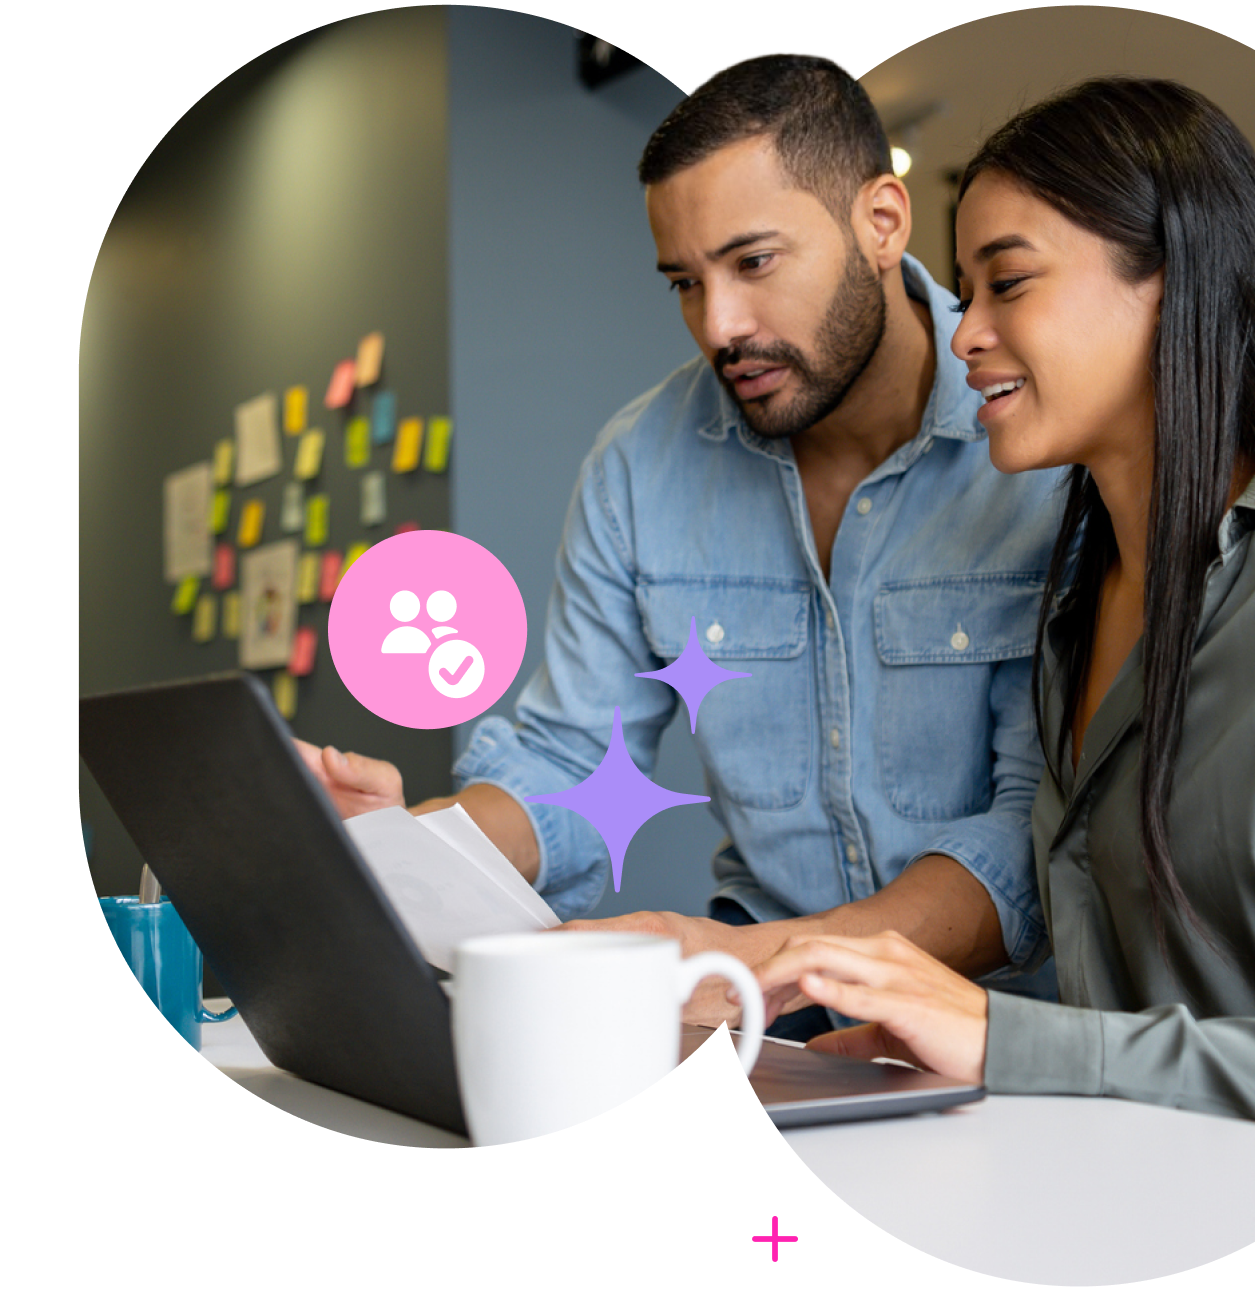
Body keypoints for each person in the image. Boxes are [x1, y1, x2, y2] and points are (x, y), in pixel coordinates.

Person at [298, 53, 1066, 1040]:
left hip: (997, 1019)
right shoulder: (639, 464)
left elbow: (1031, 833)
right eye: (683, 282)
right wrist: (407, 848)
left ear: (880, 220)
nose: (720, 326)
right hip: (754, 1009)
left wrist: (772, 959)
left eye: (752, 263)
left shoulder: (1038, 441)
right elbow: (574, 763)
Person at [749, 76, 1255, 1137]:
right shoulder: (1076, 601)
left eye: (1006, 283)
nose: (961, 333)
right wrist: (945, 1046)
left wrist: (1010, 1041)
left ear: (1169, 283)